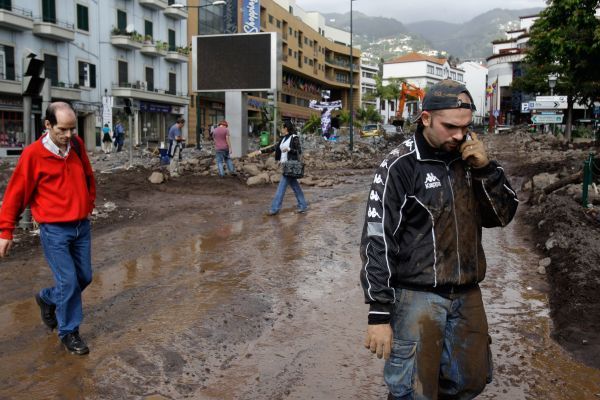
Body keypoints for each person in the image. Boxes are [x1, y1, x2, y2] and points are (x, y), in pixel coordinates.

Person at [359, 80, 519, 399]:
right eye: (450, 127)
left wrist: (487, 170)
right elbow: (378, 239)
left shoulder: (473, 161)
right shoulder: (400, 166)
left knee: (470, 380)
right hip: (416, 296)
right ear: (426, 118)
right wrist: (378, 312)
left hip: (466, 291)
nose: (459, 136)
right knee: (413, 389)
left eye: (465, 127)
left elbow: (502, 217)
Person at [0, 102, 96, 356]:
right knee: (68, 281)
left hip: (81, 227)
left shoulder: (76, 145)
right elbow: (15, 195)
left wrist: (89, 203)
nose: (68, 136)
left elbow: (88, 176)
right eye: (62, 130)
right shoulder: (32, 155)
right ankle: (69, 332)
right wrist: (5, 232)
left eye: (72, 130)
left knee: (84, 277)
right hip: (54, 231)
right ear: (48, 125)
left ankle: (47, 298)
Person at [252, 120, 308, 215]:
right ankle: (302, 205)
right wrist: (260, 152)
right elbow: (274, 147)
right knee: (295, 187)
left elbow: (299, 150)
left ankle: (274, 209)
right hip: (285, 166)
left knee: (281, 188)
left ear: (286, 128)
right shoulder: (283, 139)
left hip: (290, 165)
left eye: (282, 127)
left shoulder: (294, 137)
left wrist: (289, 149)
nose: (281, 129)